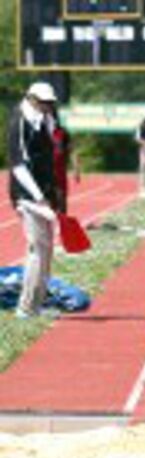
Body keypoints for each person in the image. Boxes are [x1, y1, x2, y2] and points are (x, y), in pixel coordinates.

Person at [7, 82, 59, 318]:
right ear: (31, 98)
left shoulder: (45, 117)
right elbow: (18, 166)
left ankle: (39, 303)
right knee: (37, 248)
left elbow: (48, 152)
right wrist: (38, 197)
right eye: (44, 102)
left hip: (44, 193)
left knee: (47, 249)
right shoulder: (18, 122)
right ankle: (26, 307)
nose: (49, 106)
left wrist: (49, 194)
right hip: (27, 195)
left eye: (51, 103)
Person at [51, 109, 81, 214]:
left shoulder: (63, 133)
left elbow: (72, 151)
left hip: (59, 176)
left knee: (61, 206)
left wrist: (76, 169)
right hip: (44, 177)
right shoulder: (40, 131)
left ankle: (62, 228)